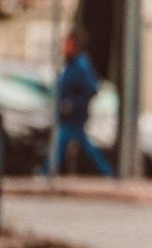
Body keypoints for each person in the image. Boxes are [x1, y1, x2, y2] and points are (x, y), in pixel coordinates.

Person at [42, 30, 114, 177]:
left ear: (74, 45)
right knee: (84, 145)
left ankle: (46, 172)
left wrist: (72, 104)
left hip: (75, 116)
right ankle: (108, 172)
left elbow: (92, 88)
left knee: (61, 142)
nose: (64, 47)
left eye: (67, 43)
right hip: (69, 117)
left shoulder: (81, 65)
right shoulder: (70, 64)